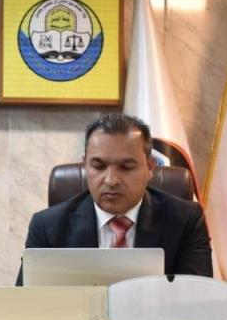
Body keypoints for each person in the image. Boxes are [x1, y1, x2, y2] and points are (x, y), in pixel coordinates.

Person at [17, 113, 212, 285]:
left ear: (150, 168)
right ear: (85, 165)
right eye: (98, 166)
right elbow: (26, 304)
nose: (111, 180)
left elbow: (196, 300)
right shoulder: (47, 227)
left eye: (126, 167)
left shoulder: (185, 220)